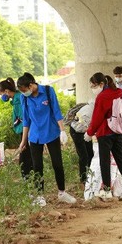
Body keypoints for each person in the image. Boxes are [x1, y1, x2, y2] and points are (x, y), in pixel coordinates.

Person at [17, 73, 77, 206]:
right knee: (37, 166)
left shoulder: (48, 91)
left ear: (31, 85)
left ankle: (62, 192)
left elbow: (56, 111)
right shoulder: (24, 98)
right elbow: (26, 120)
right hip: (35, 136)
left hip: (51, 133)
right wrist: (23, 141)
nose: (23, 92)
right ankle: (40, 196)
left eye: (24, 89)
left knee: (57, 164)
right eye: (22, 91)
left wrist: (62, 130)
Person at [85, 73, 122, 200]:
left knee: (105, 161)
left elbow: (97, 118)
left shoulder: (102, 97)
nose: (93, 88)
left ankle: (107, 190)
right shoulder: (119, 92)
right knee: (121, 160)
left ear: (102, 84)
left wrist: (89, 132)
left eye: (94, 85)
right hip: (118, 131)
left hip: (105, 132)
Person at [0, 78, 32, 180]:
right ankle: (29, 176)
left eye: (1, 94)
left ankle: (27, 177)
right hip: (25, 130)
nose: (2, 97)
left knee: (25, 156)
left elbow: (25, 119)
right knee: (27, 155)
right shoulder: (17, 97)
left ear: (7, 91)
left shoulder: (18, 99)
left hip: (27, 130)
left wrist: (24, 139)